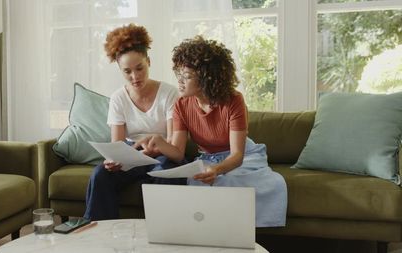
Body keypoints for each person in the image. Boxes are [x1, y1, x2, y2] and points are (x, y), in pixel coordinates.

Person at [144, 36, 287, 227]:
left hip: (242, 155)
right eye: (179, 74)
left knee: (236, 181)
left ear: (205, 77)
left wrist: (218, 170)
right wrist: (159, 142)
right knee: (198, 183)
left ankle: (240, 234)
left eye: (186, 76)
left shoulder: (233, 100)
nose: (179, 81)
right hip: (208, 158)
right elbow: (178, 154)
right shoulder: (181, 104)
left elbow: (237, 155)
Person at [83, 24, 183, 221]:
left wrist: (153, 150)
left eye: (139, 68)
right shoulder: (118, 98)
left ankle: (163, 235)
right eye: (127, 71)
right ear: (120, 70)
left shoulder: (169, 93)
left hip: (164, 153)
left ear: (149, 62)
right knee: (100, 175)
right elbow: (118, 145)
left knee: (167, 173)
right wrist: (113, 161)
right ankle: (101, 236)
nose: (135, 77)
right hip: (131, 154)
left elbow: (173, 143)